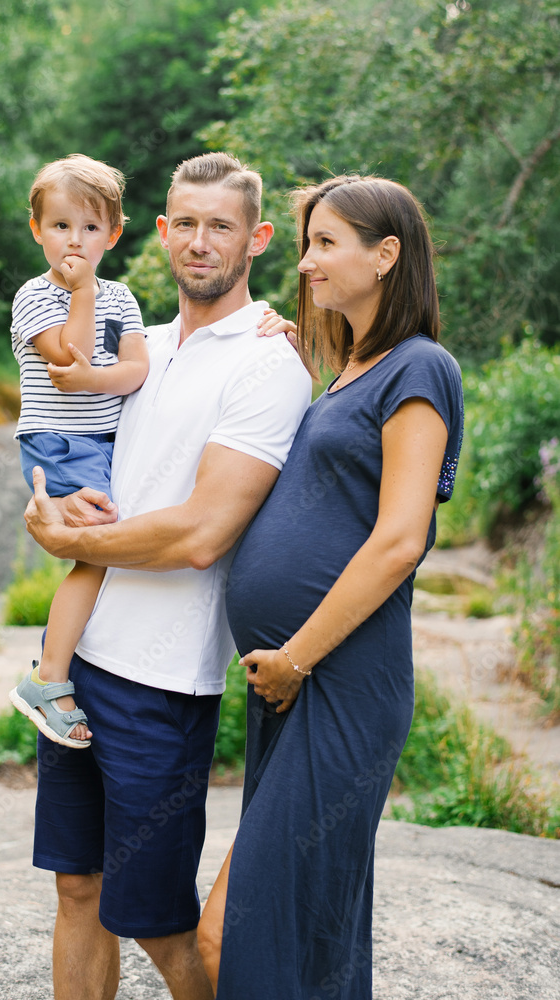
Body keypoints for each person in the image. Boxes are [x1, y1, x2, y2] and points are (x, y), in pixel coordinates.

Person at [22, 152, 312, 1000]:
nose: (199, 241)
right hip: (75, 667)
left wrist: (63, 544)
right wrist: (57, 510)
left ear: (256, 238)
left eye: (220, 225)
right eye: (184, 222)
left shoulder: (269, 363)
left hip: (161, 681)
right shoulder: (136, 344)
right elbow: (71, 434)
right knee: (76, 887)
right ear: (157, 232)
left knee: (154, 917)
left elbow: (201, 535)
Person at [196, 174, 464, 1000]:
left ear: (385, 255)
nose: (305, 261)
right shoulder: (350, 370)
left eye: (324, 243)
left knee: (233, 936)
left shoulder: (421, 368)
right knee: (308, 938)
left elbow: (398, 542)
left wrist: (298, 657)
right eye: (307, 242)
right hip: (292, 686)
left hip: (337, 679)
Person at [8, 154, 149, 748]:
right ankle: (50, 677)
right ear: (37, 230)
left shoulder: (124, 299)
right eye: (61, 226)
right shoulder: (34, 296)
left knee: (111, 552)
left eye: (91, 228)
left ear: (113, 235)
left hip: (112, 440)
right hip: (60, 443)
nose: (75, 240)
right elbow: (70, 352)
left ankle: (83, 666)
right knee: (94, 554)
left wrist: (95, 379)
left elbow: (136, 369)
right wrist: (83, 292)